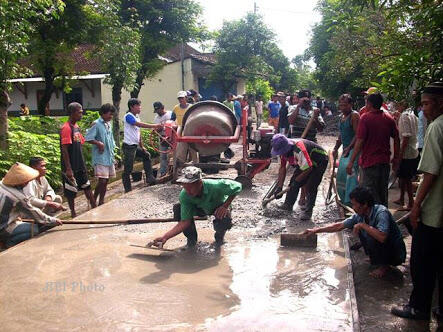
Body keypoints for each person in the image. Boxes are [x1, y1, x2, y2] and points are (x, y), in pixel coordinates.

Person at [391, 82, 443, 322]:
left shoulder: (436, 127)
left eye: (426, 103)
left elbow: (431, 172)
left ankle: (418, 307)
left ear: (439, 103)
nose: (423, 109)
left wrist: (416, 206)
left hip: (435, 209)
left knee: (422, 261)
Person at [304, 186, 406, 278]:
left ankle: (385, 266)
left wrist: (363, 225)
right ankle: (376, 259)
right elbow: (339, 226)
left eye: (354, 204)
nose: (353, 207)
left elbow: (382, 237)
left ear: (365, 204)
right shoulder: (360, 215)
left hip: (396, 253)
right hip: (383, 246)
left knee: (368, 231)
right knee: (364, 230)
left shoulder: (381, 212)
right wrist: (316, 230)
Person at [151, 166, 242, 248]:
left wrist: (225, 206)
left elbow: (238, 186)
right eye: (185, 187)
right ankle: (191, 240)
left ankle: (219, 237)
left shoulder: (216, 185)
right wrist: (165, 237)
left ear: (199, 183)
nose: (188, 191)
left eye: (191, 187)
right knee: (178, 209)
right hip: (200, 208)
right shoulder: (185, 195)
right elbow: (185, 221)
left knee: (224, 219)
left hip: (219, 207)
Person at [347, 93, 400, 206]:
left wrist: (351, 162)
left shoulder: (365, 118)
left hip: (369, 163)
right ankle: (383, 218)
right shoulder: (389, 118)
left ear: (369, 104)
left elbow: (359, 141)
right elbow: (397, 138)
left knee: (369, 195)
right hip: (384, 162)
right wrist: (396, 158)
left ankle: (373, 221)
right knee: (382, 192)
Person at [0, 162, 62, 248]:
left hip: (7, 218)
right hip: (4, 227)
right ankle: (8, 243)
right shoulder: (17, 197)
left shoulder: (2, 184)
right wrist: (52, 220)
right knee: (34, 229)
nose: (27, 182)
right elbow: (33, 212)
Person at [272, 134, 328, 220]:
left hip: (320, 159)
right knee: (293, 181)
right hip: (306, 162)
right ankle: (288, 205)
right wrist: (279, 187)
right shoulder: (283, 153)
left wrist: (297, 182)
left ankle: (308, 211)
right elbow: (282, 168)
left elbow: (309, 168)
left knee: (311, 185)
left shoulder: (298, 150)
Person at [60, 102, 96, 217]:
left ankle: (95, 208)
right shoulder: (66, 128)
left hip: (80, 164)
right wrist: (68, 168)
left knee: (87, 187)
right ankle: (73, 213)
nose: (81, 114)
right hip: (71, 165)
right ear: (72, 113)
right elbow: (64, 149)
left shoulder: (76, 127)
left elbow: (81, 143)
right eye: (79, 112)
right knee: (71, 192)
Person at [122, 98, 161, 193]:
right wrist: (154, 126)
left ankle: (150, 178)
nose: (140, 108)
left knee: (146, 155)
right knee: (128, 168)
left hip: (135, 145)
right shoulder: (128, 116)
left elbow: (138, 133)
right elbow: (138, 125)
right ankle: (128, 189)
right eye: (138, 106)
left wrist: (142, 146)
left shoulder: (137, 116)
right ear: (132, 107)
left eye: (140, 105)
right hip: (129, 146)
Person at [85, 103, 116, 206]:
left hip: (109, 155)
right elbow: (88, 138)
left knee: (106, 180)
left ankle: (101, 200)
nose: (111, 117)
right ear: (103, 113)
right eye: (109, 114)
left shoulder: (108, 124)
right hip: (100, 156)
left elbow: (111, 139)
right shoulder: (96, 123)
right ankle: (94, 199)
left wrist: (113, 154)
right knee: (102, 180)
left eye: (112, 115)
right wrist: (98, 143)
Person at [333, 94, 360, 206]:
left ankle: (353, 201)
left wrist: (349, 147)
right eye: (341, 105)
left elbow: (358, 134)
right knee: (341, 174)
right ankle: (344, 199)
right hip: (345, 150)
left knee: (351, 173)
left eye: (345, 105)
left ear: (350, 104)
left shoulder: (354, 116)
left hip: (354, 150)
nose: (342, 107)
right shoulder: (341, 117)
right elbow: (341, 135)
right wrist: (335, 148)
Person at [393, 100, 419, 211]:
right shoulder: (413, 115)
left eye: (398, 104)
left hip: (407, 153)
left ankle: (410, 203)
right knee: (403, 177)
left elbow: (406, 137)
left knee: (406, 178)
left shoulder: (404, 116)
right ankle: (402, 199)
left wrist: (400, 155)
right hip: (412, 151)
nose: (396, 106)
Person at [174, 91, 198, 167]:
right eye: (179, 98)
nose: (181, 100)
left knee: (193, 148)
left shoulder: (191, 107)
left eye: (182, 98)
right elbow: (172, 118)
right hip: (181, 128)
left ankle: (196, 166)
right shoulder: (176, 108)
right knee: (181, 149)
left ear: (186, 98)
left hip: (191, 128)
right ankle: (180, 166)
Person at [153, 101, 176, 177]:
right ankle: (163, 172)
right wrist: (158, 129)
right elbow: (156, 129)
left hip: (173, 137)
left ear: (162, 108)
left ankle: (177, 170)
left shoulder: (170, 114)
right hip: (163, 138)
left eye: (158, 110)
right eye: (156, 111)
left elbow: (176, 124)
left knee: (176, 154)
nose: (157, 112)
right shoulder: (156, 118)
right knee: (163, 156)